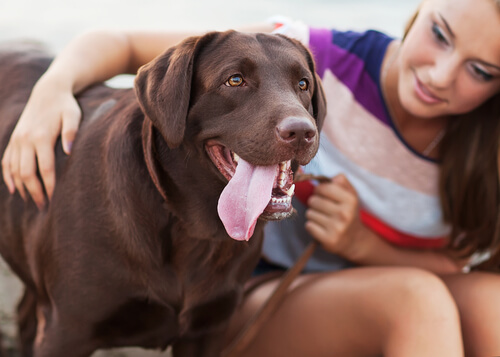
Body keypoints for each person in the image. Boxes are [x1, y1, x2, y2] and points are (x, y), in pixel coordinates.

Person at [2, 0, 500, 355]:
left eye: (481, 69)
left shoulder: (486, 143)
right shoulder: (314, 53)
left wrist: (362, 244)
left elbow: (463, 262)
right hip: (271, 292)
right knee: (417, 300)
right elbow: (125, 43)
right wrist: (54, 89)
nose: (440, 74)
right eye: (439, 33)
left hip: (361, 292)